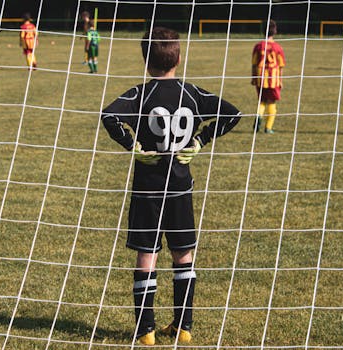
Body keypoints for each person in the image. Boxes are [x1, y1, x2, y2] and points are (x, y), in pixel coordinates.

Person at [101, 27, 241, 346]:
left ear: (146, 60)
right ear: (178, 57)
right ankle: (184, 325)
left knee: (146, 255)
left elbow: (109, 116)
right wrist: (201, 140)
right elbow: (232, 114)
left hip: (147, 189)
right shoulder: (191, 93)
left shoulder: (141, 94)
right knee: (183, 256)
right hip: (180, 186)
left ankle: (146, 330)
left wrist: (132, 145)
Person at [251, 19, 285, 134]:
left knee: (262, 101)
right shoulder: (277, 47)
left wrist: (253, 77)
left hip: (260, 77)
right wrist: (280, 80)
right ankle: (268, 127)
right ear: (275, 32)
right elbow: (280, 66)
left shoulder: (258, 46)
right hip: (273, 78)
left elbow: (254, 63)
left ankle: (259, 116)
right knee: (272, 102)